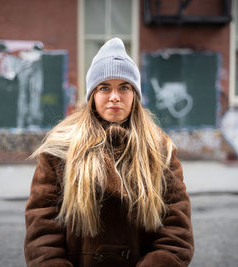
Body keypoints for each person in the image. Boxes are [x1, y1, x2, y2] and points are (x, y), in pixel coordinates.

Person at [24, 38, 194, 267]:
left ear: (135, 95)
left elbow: (176, 234)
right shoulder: (61, 149)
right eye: (104, 87)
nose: (115, 96)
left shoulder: (160, 150)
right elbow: (42, 232)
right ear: (93, 95)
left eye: (124, 87)